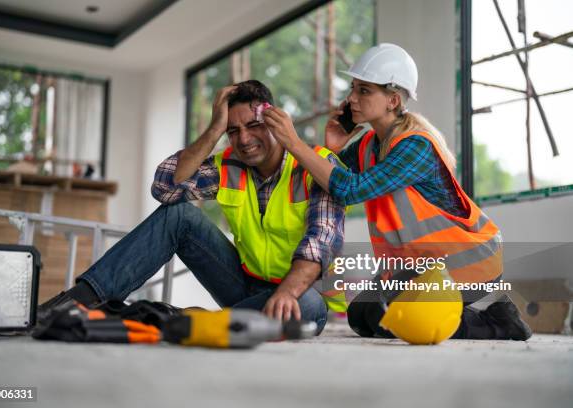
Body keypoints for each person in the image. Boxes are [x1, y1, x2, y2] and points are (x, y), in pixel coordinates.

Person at [261, 43, 532, 341]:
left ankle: (498, 323)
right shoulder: (366, 146)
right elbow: (326, 182)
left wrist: (294, 143)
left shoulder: (416, 146)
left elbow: (350, 189)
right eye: (353, 88)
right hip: (421, 266)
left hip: (467, 264)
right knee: (362, 316)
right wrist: (333, 148)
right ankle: (467, 313)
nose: (351, 98)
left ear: (392, 100)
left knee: (390, 315)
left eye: (364, 91)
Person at [38, 80, 346, 335]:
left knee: (305, 305)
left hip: (301, 291)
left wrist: (286, 291)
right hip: (244, 285)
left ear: (275, 121)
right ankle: (76, 303)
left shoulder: (316, 164)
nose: (245, 139)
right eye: (233, 130)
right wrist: (214, 129)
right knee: (178, 215)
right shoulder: (230, 165)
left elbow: (320, 242)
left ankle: (178, 320)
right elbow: (166, 188)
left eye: (254, 126)